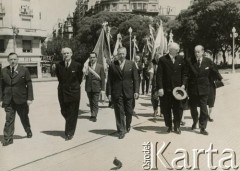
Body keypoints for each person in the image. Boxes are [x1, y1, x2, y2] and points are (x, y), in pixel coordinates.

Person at [187, 45, 222, 135]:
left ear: (202, 52)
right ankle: (195, 120)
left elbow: (214, 71)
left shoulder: (208, 61)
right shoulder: (190, 61)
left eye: (198, 52)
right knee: (193, 108)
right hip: (193, 89)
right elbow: (186, 75)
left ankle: (202, 127)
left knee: (204, 110)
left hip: (204, 88)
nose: (196, 54)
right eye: (195, 52)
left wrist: (220, 78)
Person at [0, 52, 34, 146]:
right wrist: (1, 99)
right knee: (9, 119)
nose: (13, 61)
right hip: (8, 100)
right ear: (8, 60)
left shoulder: (24, 70)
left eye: (15, 59)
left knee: (24, 117)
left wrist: (29, 98)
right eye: (11, 59)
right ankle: (8, 139)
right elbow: (1, 86)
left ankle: (28, 130)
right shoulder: (3, 71)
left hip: (21, 99)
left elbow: (29, 84)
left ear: (17, 60)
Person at [107, 47, 139, 139]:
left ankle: (127, 124)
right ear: (117, 54)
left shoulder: (131, 64)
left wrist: (136, 91)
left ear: (126, 54)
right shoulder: (113, 65)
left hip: (129, 92)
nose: (121, 55)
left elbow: (136, 79)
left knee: (129, 111)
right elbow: (109, 81)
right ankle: (121, 130)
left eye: (123, 54)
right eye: (120, 54)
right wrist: (109, 93)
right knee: (119, 112)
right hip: (117, 93)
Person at [156, 43, 188, 134]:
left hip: (178, 90)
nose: (178, 51)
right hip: (166, 90)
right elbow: (159, 75)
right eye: (176, 50)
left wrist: (184, 84)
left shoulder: (181, 59)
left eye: (178, 50)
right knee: (166, 109)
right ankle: (169, 126)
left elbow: (185, 74)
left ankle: (177, 126)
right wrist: (160, 88)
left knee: (178, 108)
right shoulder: (162, 60)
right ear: (171, 50)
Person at [55, 47, 83, 140]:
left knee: (72, 113)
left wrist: (74, 86)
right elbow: (59, 78)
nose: (66, 55)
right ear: (62, 55)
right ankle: (69, 125)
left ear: (71, 54)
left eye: (68, 53)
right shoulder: (59, 65)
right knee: (64, 111)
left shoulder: (77, 65)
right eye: (64, 53)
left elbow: (79, 78)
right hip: (62, 92)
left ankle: (69, 132)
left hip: (74, 92)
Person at [85, 52, 105, 122]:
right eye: (91, 57)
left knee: (95, 102)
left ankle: (94, 115)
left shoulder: (100, 66)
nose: (92, 59)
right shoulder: (86, 66)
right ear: (89, 58)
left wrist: (103, 89)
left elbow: (102, 78)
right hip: (88, 87)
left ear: (96, 58)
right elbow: (84, 76)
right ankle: (92, 113)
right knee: (90, 101)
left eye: (93, 57)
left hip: (97, 87)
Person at [204, 50, 223, 122]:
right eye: (205, 55)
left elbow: (216, 72)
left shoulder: (213, 64)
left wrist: (220, 79)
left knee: (211, 101)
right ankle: (204, 115)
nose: (205, 56)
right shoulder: (202, 64)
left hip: (211, 85)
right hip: (204, 85)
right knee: (204, 101)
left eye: (207, 55)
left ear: (211, 56)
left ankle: (209, 115)